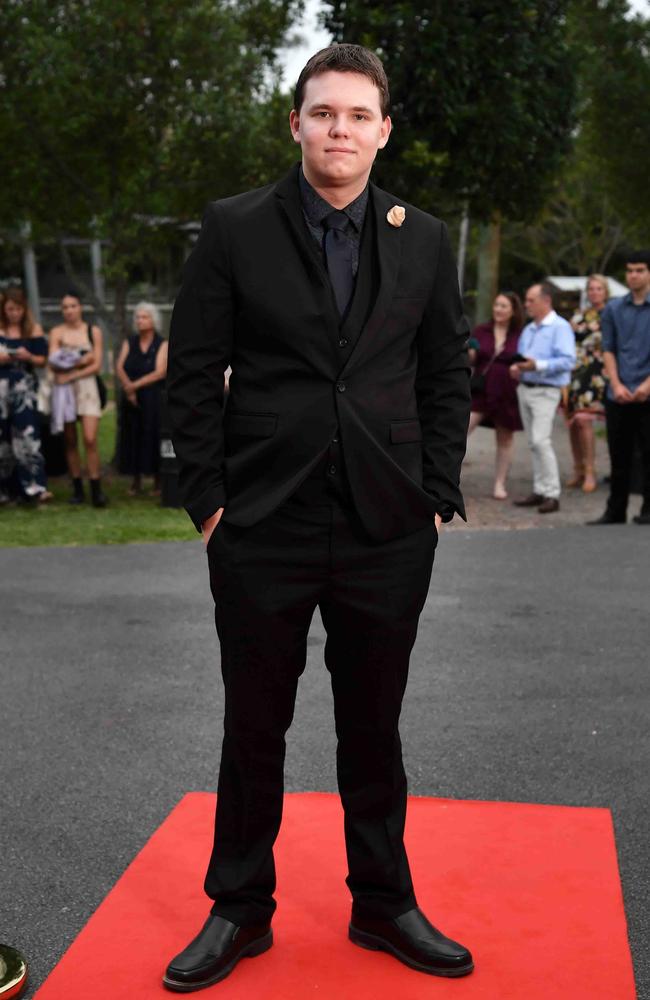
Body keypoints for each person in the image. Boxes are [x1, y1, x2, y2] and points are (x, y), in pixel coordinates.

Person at [164, 43, 473, 992]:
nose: (340, 129)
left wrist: (434, 494)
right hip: (261, 521)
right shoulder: (234, 228)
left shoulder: (421, 237)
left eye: (357, 115)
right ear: (295, 122)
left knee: (372, 725)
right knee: (253, 723)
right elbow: (190, 375)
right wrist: (211, 506)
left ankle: (383, 903)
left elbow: (446, 372)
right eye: (323, 112)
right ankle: (239, 909)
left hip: (387, 525)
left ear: (383, 131)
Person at [588, 250, 650, 525]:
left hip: (647, 392)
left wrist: (647, 386)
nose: (633, 275)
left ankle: (648, 510)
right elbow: (608, 350)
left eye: (639, 269)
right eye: (630, 270)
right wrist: (616, 384)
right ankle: (616, 510)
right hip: (619, 392)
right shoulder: (614, 309)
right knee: (618, 454)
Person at [510, 283, 575, 514]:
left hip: (546, 389)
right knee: (533, 442)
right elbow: (524, 358)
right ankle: (540, 489)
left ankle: (552, 493)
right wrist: (518, 367)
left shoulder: (560, 327)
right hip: (525, 388)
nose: (526, 305)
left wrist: (537, 365)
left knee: (541, 440)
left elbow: (568, 361)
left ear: (546, 301)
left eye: (530, 300)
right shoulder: (529, 329)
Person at [48, 293, 107, 507]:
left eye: (73, 306)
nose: (69, 310)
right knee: (70, 440)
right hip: (64, 392)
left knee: (90, 439)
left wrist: (72, 370)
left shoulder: (93, 331)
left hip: (87, 388)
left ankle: (96, 489)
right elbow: (53, 362)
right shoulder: (57, 332)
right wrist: (83, 359)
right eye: (65, 307)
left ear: (80, 307)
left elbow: (96, 364)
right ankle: (77, 489)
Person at [468, 291, 524, 499]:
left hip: (506, 391)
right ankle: (448, 477)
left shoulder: (520, 334)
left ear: (513, 311)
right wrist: (470, 353)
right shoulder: (482, 330)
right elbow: (472, 360)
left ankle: (499, 483)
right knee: (461, 429)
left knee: (505, 438)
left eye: (503, 306)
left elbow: (525, 359)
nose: (498, 309)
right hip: (481, 389)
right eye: (496, 305)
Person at [0, 287, 53, 504]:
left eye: (18, 309)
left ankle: (34, 487)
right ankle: (5, 490)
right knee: (3, 437)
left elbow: (42, 359)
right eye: (10, 309)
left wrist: (28, 355)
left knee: (27, 435)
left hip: (25, 388)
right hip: (2, 387)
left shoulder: (33, 329)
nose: (14, 313)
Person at [116, 302, 168, 495]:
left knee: (153, 435)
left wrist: (134, 385)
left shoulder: (162, 344)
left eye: (144, 317)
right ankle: (135, 480)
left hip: (152, 397)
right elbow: (120, 366)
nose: (140, 321)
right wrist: (129, 390)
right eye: (137, 317)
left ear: (153, 320)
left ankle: (157, 480)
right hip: (131, 398)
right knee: (132, 435)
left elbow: (160, 371)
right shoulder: (129, 342)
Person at [565, 274, 609, 493]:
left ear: (605, 291)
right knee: (573, 423)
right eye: (591, 289)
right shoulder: (578, 316)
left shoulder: (610, 314)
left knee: (585, 420)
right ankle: (578, 468)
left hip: (598, 374)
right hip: (576, 374)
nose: (594, 292)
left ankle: (591, 470)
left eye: (599, 289)